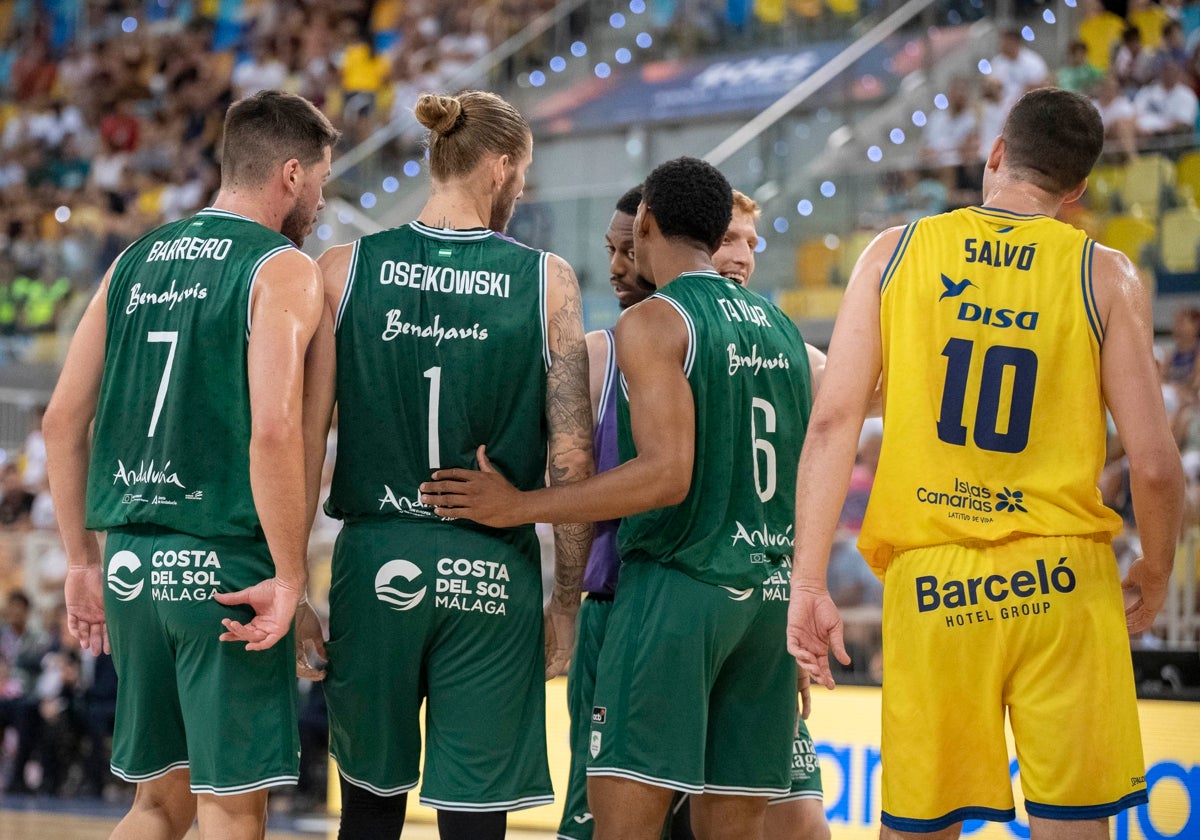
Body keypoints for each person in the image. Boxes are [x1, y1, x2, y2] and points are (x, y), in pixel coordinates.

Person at [787, 87, 1183, 839]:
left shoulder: (893, 251)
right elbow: (1157, 467)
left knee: (919, 828)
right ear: (1078, 190)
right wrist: (1155, 573)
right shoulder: (1106, 274)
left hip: (935, 581)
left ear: (996, 154)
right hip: (1063, 580)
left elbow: (835, 417)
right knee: (1075, 826)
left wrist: (808, 580)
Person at [421, 156, 813, 840]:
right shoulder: (782, 331)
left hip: (676, 591)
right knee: (739, 829)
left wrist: (518, 506)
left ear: (649, 225)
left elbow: (666, 475)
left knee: (623, 826)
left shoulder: (656, 321)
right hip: (765, 599)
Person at [42, 90, 337, 840]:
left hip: (131, 564)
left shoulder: (132, 262)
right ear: (292, 174)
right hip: (225, 565)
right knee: (233, 810)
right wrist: (291, 578)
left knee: (156, 807)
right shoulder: (282, 268)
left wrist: (81, 561)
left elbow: (59, 421)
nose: (323, 201)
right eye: (324, 182)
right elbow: (272, 432)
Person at [312, 89, 593, 840]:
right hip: (491, 565)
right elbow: (570, 457)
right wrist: (566, 600)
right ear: (500, 165)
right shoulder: (547, 281)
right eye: (523, 176)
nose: (521, 193)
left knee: (368, 812)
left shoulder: (343, 269)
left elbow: (303, 440)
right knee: (474, 818)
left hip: (376, 557)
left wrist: (286, 577)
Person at [709, 189, 829, 840]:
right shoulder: (656, 330)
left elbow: (848, 404)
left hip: (767, 600)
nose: (744, 255)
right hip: (677, 603)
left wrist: (803, 596)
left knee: (802, 824)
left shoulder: (789, 347)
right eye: (730, 238)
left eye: (752, 243)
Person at [558, 184, 656, 840]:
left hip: (670, 606)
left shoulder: (718, 339)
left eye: (629, 249)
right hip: (613, 602)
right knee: (592, 812)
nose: (616, 265)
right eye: (609, 250)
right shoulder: (598, 350)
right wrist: (566, 604)